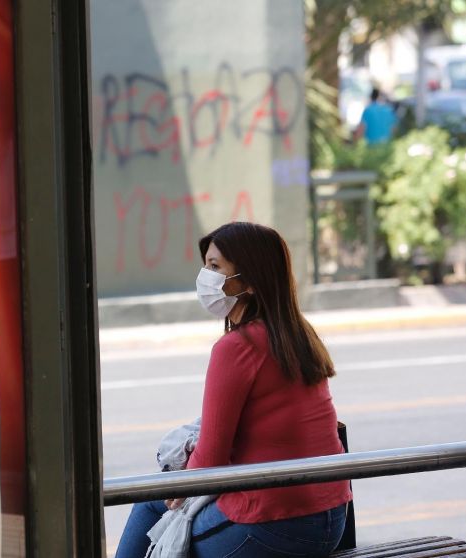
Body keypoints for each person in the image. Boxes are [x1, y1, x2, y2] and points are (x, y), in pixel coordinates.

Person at [115, 222, 351, 558]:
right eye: (205, 265)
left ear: (251, 281)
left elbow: (210, 459)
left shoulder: (236, 347)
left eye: (215, 267)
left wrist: (176, 493)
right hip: (329, 517)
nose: (205, 277)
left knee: (153, 503)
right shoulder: (297, 334)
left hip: (276, 524)